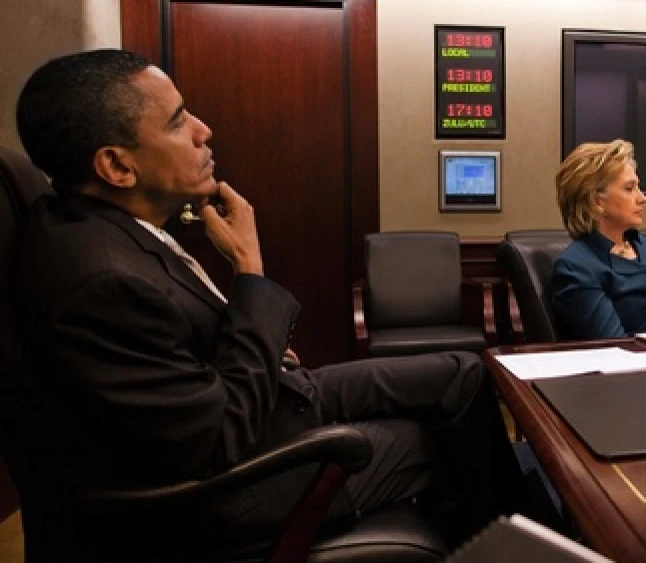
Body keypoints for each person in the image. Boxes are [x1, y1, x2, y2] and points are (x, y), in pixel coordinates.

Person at [14, 49, 530, 559]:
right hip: (228, 492)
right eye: (176, 123)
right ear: (116, 165)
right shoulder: (103, 278)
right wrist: (248, 266)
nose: (203, 130)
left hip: (268, 396)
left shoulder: (102, 226)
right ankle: (512, 545)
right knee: (435, 443)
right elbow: (219, 439)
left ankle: (522, 527)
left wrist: (261, 350)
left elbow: (182, 359)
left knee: (463, 374)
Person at [550, 139, 646, 339]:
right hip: (641, 363)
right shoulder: (576, 266)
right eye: (629, 189)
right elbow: (613, 344)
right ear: (596, 201)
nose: (643, 198)